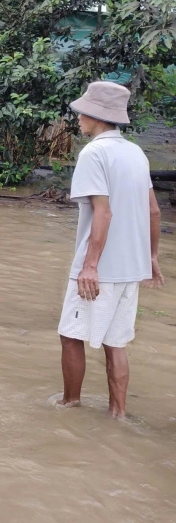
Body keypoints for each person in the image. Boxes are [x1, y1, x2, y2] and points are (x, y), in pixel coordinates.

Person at [57, 81, 164, 419]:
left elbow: (103, 213)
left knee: (70, 335)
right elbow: (153, 211)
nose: (78, 118)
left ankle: (70, 404)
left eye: (82, 113)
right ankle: (118, 415)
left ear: (97, 116)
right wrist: (151, 257)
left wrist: (90, 266)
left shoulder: (93, 153)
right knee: (116, 343)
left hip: (100, 268)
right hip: (132, 266)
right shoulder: (136, 153)